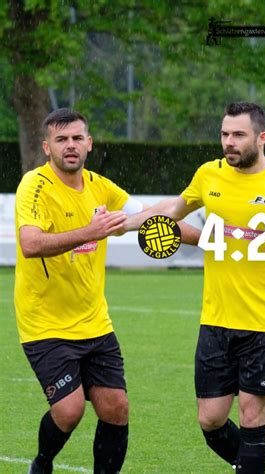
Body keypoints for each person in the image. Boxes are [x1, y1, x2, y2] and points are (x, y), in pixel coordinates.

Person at [124, 102, 265, 472]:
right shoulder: (209, 175)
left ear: (261, 138)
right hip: (216, 319)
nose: (228, 142)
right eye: (224, 134)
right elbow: (174, 210)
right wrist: (126, 223)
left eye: (238, 135)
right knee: (210, 419)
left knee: (251, 415)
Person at [14, 108, 199, 473]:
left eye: (77, 138)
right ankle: (42, 463)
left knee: (116, 408)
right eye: (61, 139)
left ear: (89, 143)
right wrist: (91, 231)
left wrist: (212, 241)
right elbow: (30, 244)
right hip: (45, 323)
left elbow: (152, 217)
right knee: (69, 411)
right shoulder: (34, 186)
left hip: (95, 322)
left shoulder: (101, 186)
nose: (71, 146)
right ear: (46, 147)